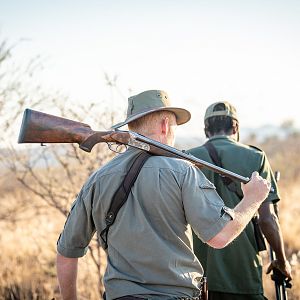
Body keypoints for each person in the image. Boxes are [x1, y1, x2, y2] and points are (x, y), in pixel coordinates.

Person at [56, 90, 271, 300]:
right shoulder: (183, 170)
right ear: (165, 125)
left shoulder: (97, 179)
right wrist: (252, 200)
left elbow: (66, 254)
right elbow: (220, 236)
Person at [188, 101, 292, 300]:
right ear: (235, 127)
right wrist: (281, 260)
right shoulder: (256, 157)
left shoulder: (188, 158)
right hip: (243, 275)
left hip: (197, 275)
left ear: (205, 129)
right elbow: (267, 220)